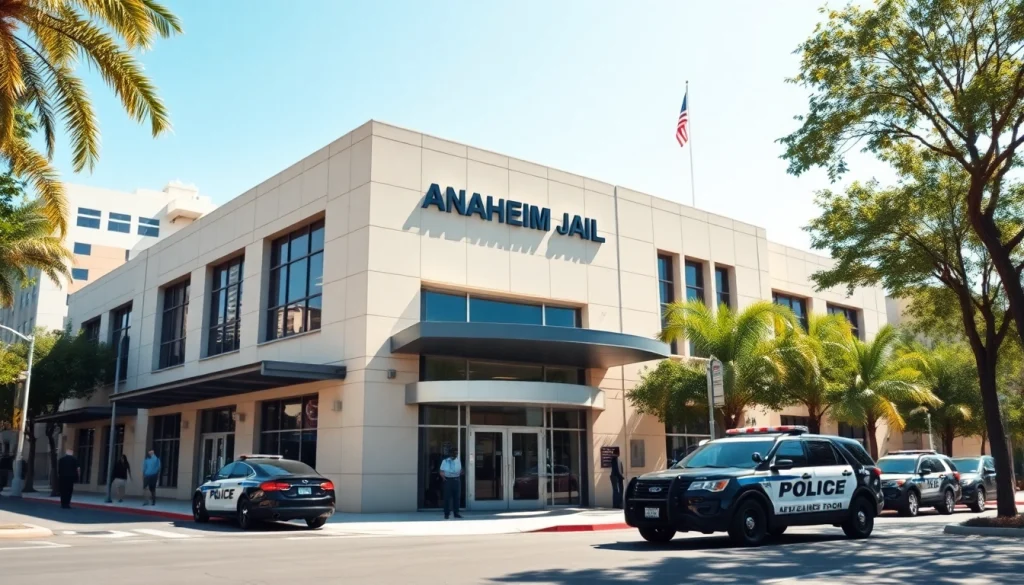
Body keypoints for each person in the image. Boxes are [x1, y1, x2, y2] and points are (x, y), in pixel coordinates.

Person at [439, 447, 463, 520]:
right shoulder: (445, 461)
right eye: (454, 452)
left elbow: (461, 470)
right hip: (448, 480)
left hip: (456, 480)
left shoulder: (458, 461)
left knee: (457, 497)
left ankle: (456, 513)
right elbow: (441, 471)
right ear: (450, 453)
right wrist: (444, 478)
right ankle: (446, 514)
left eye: (456, 452)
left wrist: (460, 474)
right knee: (447, 498)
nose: (455, 454)